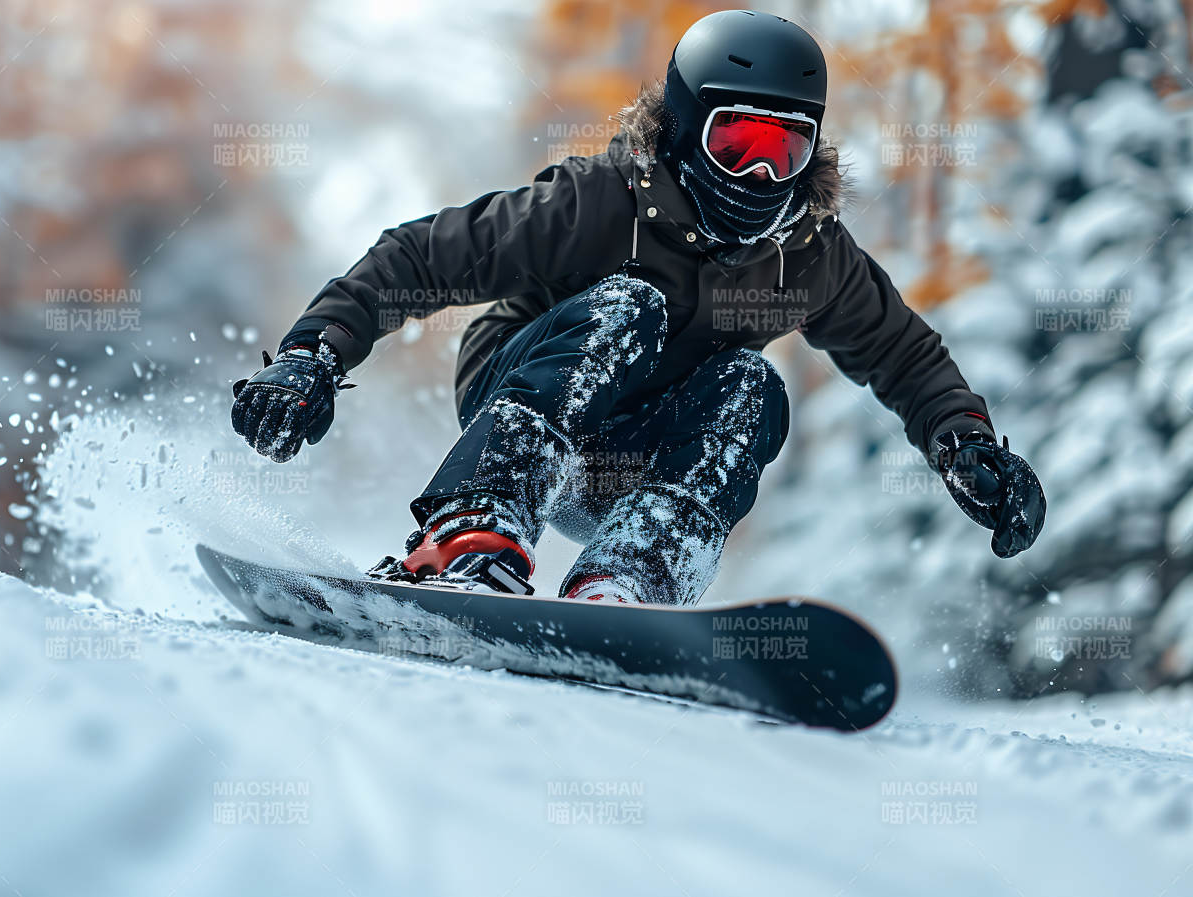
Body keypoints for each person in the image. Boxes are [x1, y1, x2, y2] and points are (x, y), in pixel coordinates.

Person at [230, 9, 1046, 602]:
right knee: (630, 306)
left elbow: (905, 357)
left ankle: (632, 574)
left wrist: (964, 446)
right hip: (528, 408)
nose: (760, 177)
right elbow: (419, 257)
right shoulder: (599, 203)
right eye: (738, 145)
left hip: (639, 464)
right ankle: (470, 527)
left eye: (783, 150)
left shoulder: (809, 254)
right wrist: (316, 353)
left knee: (755, 388)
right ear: (690, 129)